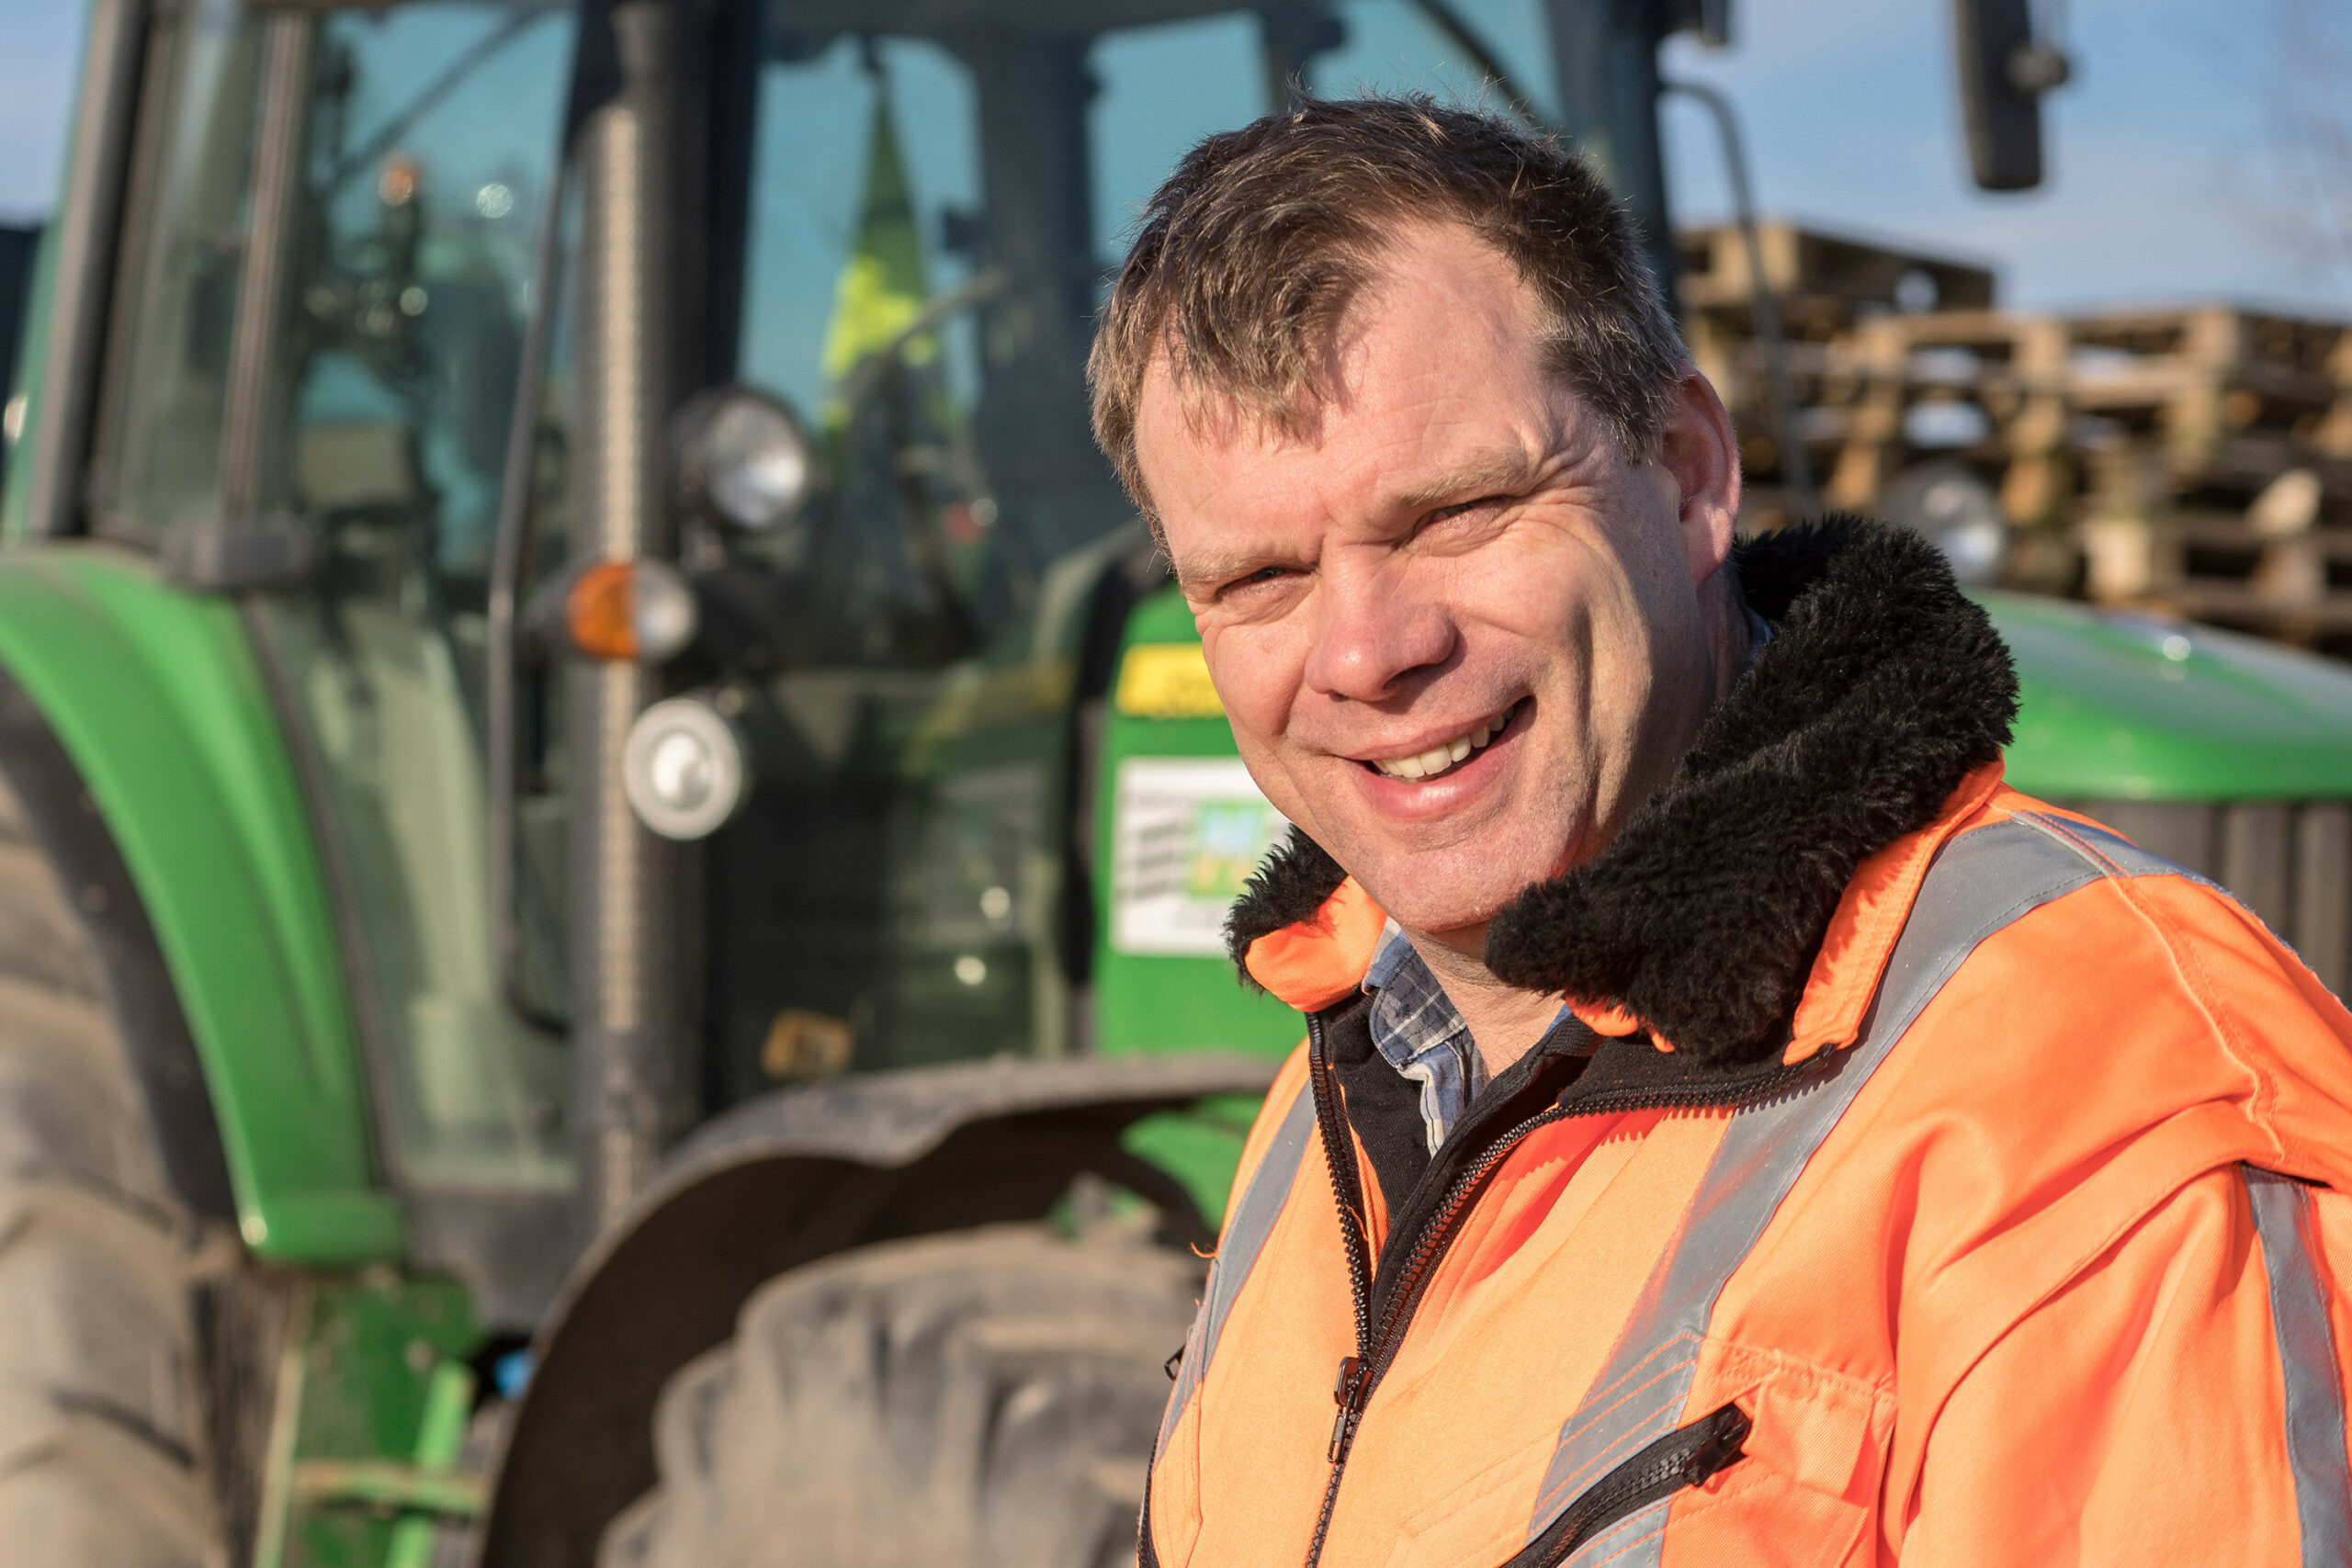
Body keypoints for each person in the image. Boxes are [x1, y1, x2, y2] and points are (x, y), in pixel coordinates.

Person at [1088, 96, 2352, 1567]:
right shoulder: (1350, 1075)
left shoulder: (2103, 1116)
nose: (1367, 653)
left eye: (1454, 514)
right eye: (1257, 581)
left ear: (1689, 473)